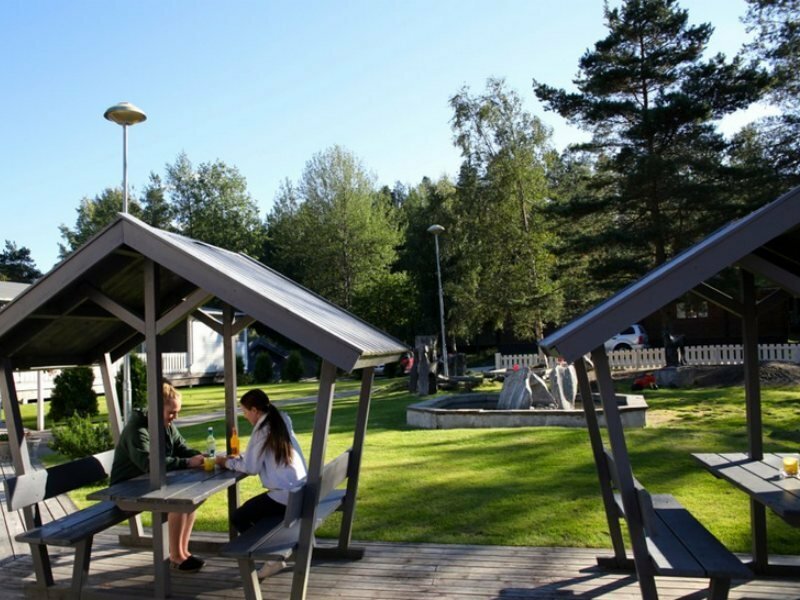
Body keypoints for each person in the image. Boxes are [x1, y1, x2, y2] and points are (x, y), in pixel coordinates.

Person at [110, 381, 207, 572]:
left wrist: (201, 456)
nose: (175, 417)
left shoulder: (165, 424)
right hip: (126, 489)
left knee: (192, 500)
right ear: (156, 409)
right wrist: (188, 462)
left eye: (177, 412)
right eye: (172, 412)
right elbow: (150, 464)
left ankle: (183, 552)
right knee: (179, 502)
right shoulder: (137, 430)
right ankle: (176, 556)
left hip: (148, 482)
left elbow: (181, 447)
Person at [216, 388, 307, 578]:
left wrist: (225, 462)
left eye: (245, 411)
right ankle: (273, 549)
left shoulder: (262, 430)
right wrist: (239, 459)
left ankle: (271, 557)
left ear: (255, 410)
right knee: (255, 512)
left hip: (285, 495)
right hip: (300, 491)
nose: (244, 416)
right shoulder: (281, 420)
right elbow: (261, 457)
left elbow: (251, 468)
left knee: (239, 517)